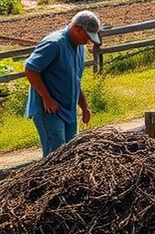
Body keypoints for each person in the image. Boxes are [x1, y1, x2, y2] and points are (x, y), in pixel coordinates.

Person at [24, 10, 102, 156]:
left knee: (72, 155)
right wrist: (47, 98)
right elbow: (30, 68)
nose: (88, 41)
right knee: (56, 158)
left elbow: (74, 81)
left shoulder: (79, 47)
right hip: (50, 110)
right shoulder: (54, 43)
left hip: (69, 110)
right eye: (87, 36)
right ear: (77, 28)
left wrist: (84, 107)